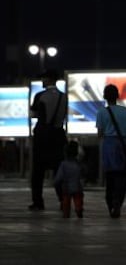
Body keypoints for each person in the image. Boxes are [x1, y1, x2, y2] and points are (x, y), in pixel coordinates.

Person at [29, 69, 67, 211]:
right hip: (58, 136)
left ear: (49, 79)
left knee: (38, 172)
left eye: (43, 78)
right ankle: (63, 199)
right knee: (59, 170)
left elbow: (33, 114)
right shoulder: (64, 97)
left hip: (42, 137)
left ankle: (38, 202)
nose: (42, 81)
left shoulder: (40, 96)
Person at [96, 84, 126, 218]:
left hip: (108, 145)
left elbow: (100, 133)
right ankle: (118, 202)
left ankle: (111, 203)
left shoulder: (101, 112)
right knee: (122, 176)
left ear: (105, 97)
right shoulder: (125, 111)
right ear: (118, 96)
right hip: (122, 145)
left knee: (110, 177)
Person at [54, 141, 84, 218]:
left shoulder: (63, 164)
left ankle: (66, 213)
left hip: (66, 187)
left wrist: (57, 184)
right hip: (77, 187)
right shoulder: (78, 164)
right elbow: (82, 174)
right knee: (78, 199)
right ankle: (78, 209)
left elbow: (59, 178)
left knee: (66, 202)